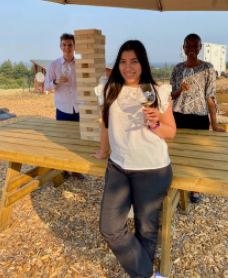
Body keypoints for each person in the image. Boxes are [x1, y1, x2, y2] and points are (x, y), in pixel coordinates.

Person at [92, 40, 175, 278]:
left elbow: (170, 131)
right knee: (109, 227)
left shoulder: (155, 91)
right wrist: (103, 150)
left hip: (152, 168)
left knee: (146, 230)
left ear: (143, 63)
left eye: (134, 61)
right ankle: (149, 275)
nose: (128, 67)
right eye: (123, 61)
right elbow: (106, 124)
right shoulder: (110, 89)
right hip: (119, 166)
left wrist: (155, 122)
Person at [170, 34, 225, 202]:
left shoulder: (208, 68)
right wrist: (180, 89)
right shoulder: (177, 69)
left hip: (199, 117)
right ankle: (181, 183)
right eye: (188, 46)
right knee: (179, 151)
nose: (191, 49)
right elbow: (171, 96)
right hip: (178, 116)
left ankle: (195, 188)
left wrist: (214, 125)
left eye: (195, 46)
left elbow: (210, 97)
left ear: (200, 48)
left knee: (198, 152)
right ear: (183, 47)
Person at [44, 34, 85, 178]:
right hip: (63, 107)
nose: (67, 48)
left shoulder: (81, 64)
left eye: (70, 45)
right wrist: (56, 81)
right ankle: (63, 170)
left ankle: (76, 169)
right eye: (64, 44)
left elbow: (88, 83)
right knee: (63, 139)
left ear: (75, 46)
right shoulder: (53, 65)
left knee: (77, 139)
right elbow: (47, 86)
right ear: (60, 46)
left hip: (79, 106)